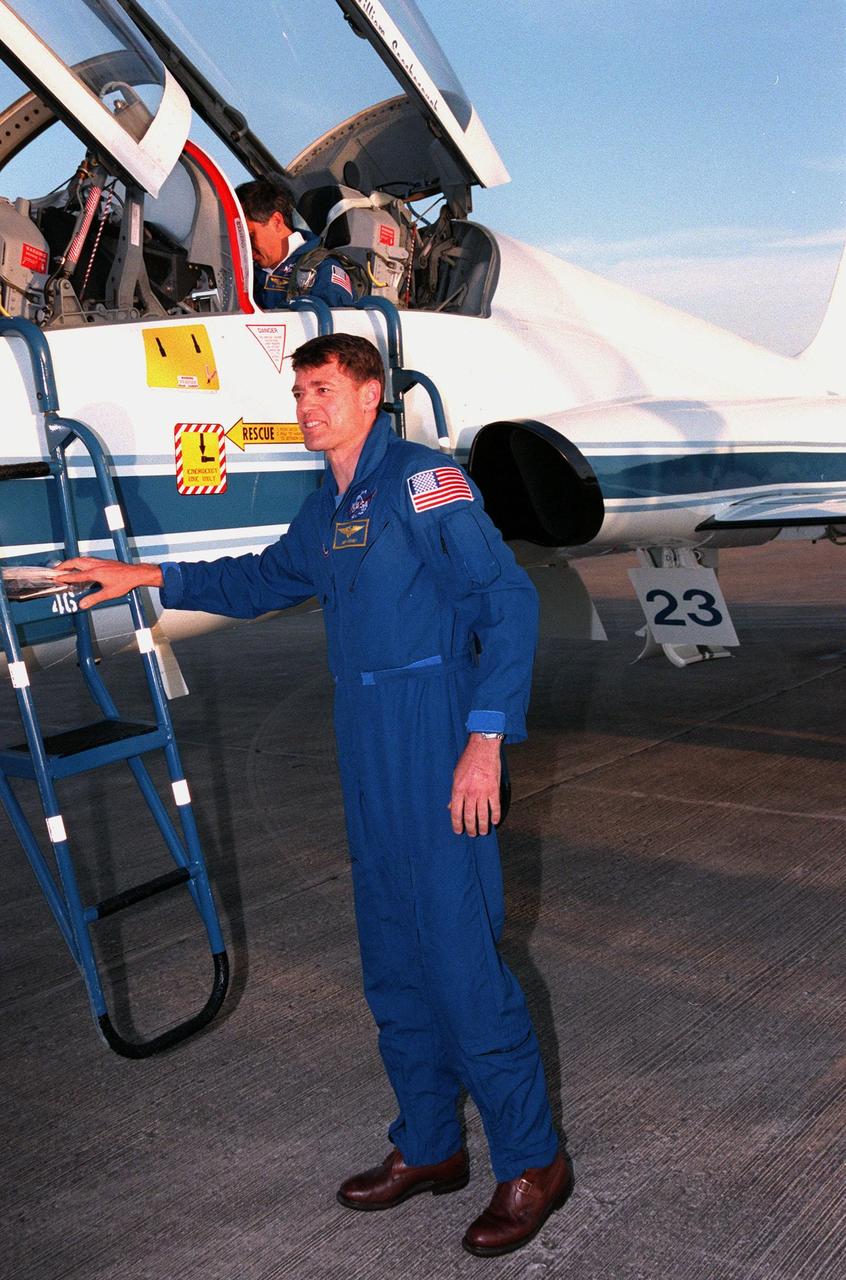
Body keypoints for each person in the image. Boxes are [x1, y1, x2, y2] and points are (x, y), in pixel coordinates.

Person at [56, 335, 572, 1258]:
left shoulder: (423, 483)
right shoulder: (332, 503)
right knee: (392, 955)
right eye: (299, 390)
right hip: (366, 741)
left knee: (459, 958)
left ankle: (533, 1162)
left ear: (371, 395)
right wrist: (145, 575)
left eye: (324, 388)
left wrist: (485, 741)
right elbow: (262, 578)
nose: (307, 405)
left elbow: (508, 603)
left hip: (436, 725)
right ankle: (429, 1146)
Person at [236, 178, 356, 310]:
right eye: (240, 240)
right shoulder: (245, 275)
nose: (246, 248)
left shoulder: (322, 270)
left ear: (276, 221)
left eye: (250, 236)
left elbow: (336, 325)